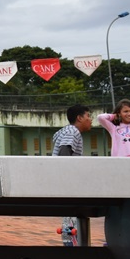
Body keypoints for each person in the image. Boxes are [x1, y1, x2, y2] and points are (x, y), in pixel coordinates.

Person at [50, 104, 91, 246]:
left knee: (69, 216)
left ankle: (70, 242)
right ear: (79, 118)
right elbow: (64, 153)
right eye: (88, 116)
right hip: (67, 182)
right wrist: (68, 178)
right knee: (72, 215)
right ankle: (72, 246)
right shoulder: (73, 132)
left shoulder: (68, 131)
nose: (90, 120)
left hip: (65, 181)